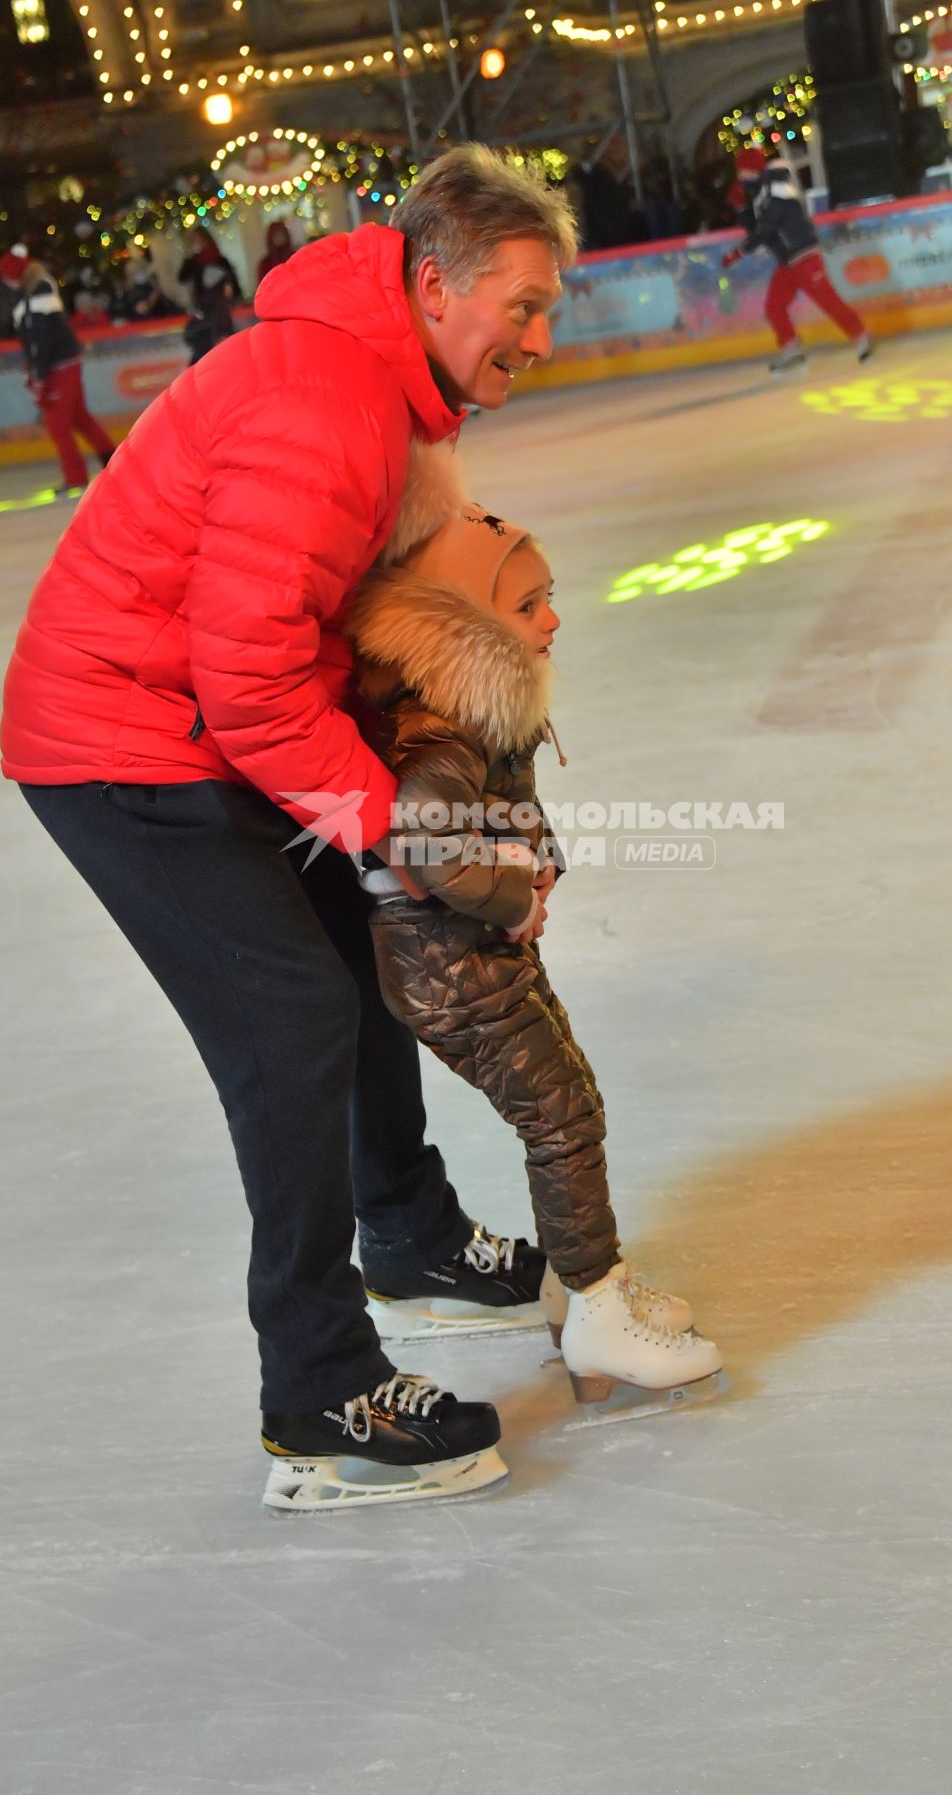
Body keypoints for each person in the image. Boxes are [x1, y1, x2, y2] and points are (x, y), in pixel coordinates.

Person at [0, 146, 578, 1513]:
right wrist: (422, 843)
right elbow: (250, 682)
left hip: (198, 718)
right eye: (526, 306)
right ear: (434, 288)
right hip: (123, 747)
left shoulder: (375, 388)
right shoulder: (329, 408)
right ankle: (319, 1392)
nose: (543, 339)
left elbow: (310, 641)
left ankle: (411, 1234)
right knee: (292, 1017)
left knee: (359, 937)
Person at [346, 506, 724, 1409]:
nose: (551, 621)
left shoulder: (477, 703)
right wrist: (514, 891)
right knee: (562, 1121)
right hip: (452, 971)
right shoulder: (441, 729)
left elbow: (502, 814)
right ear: (464, 623)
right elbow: (430, 847)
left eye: (548, 599)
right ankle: (597, 1310)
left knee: (571, 1106)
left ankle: (583, 1280)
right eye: (527, 606)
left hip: (477, 957)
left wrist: (534, 868)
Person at [721, 148, 872, 373]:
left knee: (827, 300)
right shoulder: (761, 195)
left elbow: (768, 228)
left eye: (742, 171)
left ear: (752, 170)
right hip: (788, 262)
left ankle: (861, 337)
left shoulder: (778, 186)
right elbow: (756, 228)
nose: (740, 177)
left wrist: (739, 252)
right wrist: (741, 208)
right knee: (774, 307)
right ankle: (791, 349)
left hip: (804, 255)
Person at [0, 244, 115, 495]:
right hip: (60, 363)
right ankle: (113, 462)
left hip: (59, 366)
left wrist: (38, 375)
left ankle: (76, 478)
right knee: (80, 418)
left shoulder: (38, 292)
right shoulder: (26, 294)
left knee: (59, 426)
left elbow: (41, 339)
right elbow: (33, 340)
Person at [177, 225, 241, 364]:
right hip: (203, 310)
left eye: (200, 240)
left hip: (221, 310)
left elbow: (234, 287)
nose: (198, 244)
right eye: (194, 241)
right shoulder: (193, 263)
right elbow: (182, 277)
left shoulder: (220, 261)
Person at [256, 218, 297, 287]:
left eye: (281, 234)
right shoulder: (265, 264)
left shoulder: (295, 258)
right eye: (276, 235)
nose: (279, 238)